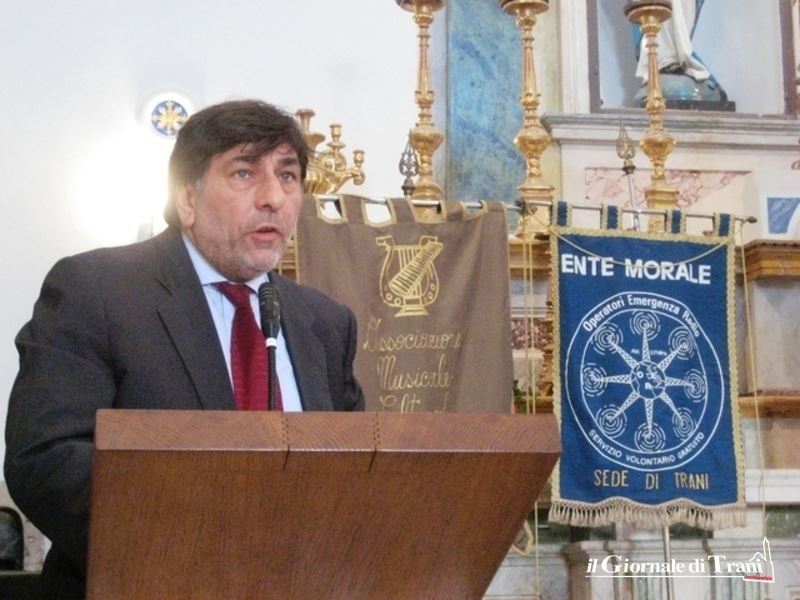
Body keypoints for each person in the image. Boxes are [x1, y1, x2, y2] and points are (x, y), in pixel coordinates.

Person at [4, 99, 364, 599]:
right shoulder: (96, 291)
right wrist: (207, 546)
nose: (273, 198)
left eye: (287, 175)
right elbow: (46, 460)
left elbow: (355, 475)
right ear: (187, 198)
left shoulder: (325, 323)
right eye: (244, 173)